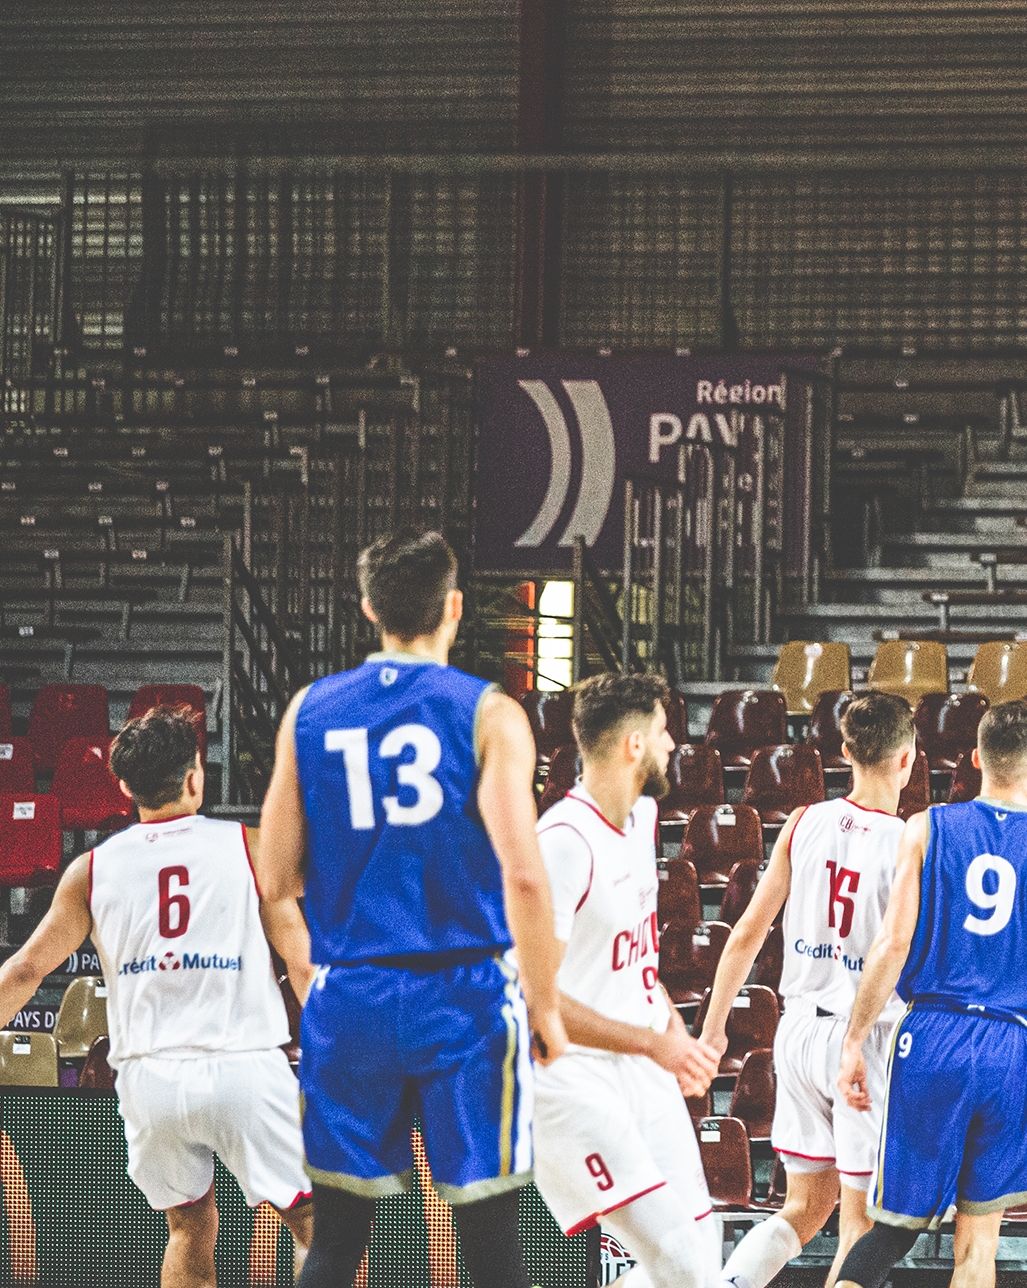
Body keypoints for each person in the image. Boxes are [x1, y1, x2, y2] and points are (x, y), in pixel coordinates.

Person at [257, 527, 569, 1288]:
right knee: (493, 1247)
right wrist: (547, 1007)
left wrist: (314, 975)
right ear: (455, 606)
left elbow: (273, 878)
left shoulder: (310, 709)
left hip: (351, 989)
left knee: (334, 1243)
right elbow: (524, 875)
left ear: (368, 606)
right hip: (461, 995)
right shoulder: (489, 712)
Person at [0, 705, 316, 1287]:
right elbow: (301, 962)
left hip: (149, 1082)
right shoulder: (249, 847)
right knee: (313, 1222)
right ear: (197, 776)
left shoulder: (90, 871)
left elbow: (23, 971)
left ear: (124, 788)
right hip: (243, 1066)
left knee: (189, 1227)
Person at [829, 702, 1027, 1288]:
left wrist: (853, 1039)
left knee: (891, 1230)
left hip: (930, 1035)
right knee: (978, 1246)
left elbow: (892, 945)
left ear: (975, 760)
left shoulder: (927, 826)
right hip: (1011, 1045)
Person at [703, 692, 917, 1288]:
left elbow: (746, 932)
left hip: (795, 1031)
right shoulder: (909, 843)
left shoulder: (803, 822)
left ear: (845, 752)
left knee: (805, 1209)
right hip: (862, 1038)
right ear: (909, 758)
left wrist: (713, 1028)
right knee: (860, 1229)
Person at [531, 672, 723, 1285]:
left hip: (641, 1063)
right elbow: (537, 998)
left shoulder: (642, 816)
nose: (673, 746)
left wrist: (670, 1026)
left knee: (702, 1238)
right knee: (678, 1259)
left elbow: (634, 955)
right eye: (664, 732)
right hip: (570, 1075)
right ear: (633, 745)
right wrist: (653, 1042)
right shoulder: (563, 842)